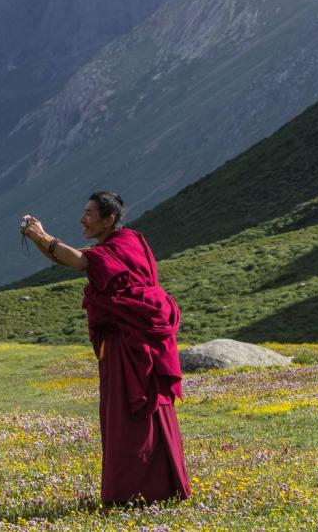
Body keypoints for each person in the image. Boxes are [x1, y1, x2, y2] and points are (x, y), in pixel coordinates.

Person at [20, 192, 191, 506]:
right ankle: (157, 488)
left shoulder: (121, 245)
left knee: (129, 414)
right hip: (128, 342)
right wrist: (40, 237)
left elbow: (81, 261)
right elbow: (75, 260)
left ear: (108, 219)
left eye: (88, 213)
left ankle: (134, 491)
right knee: (135, 412)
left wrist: (40, 235)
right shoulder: (126, 243)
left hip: (129, 344)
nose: (82, 219)